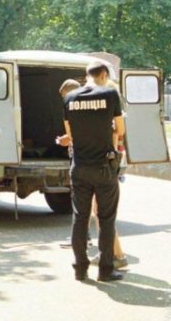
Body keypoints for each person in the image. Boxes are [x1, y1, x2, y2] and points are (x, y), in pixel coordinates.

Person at [62, 61, 125, 282]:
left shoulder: (70, 98)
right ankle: (106, 270)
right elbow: (121, 129)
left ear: (86, 76)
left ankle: (80, 269)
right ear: (104, 74)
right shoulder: (110, 94)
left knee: (80, 218)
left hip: (79, 166)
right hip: (104, 167)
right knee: (106, 219)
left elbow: (70, 135)